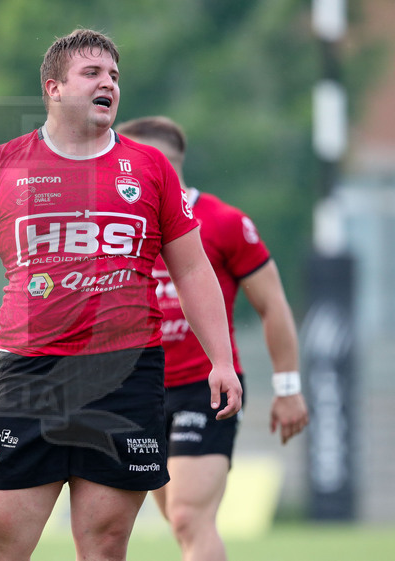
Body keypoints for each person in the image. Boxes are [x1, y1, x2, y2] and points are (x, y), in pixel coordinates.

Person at [0, 29, 242, 561]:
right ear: (53, 87)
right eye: (92, 74)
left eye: (115, 76)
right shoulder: (3, 165)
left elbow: (192, 271)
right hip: (30, 374)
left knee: (103, 544)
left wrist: (222, 360)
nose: (109, 84)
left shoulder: (149, 168)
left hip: (125, 375)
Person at [115, 115, 309, 561]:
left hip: (202, 390)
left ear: (159, 162)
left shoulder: (222, 221)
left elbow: (273, 305)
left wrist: (288, 388)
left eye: (127, 158)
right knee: (180, 523)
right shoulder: (120, 225)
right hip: (137, 390)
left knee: (187, 517)